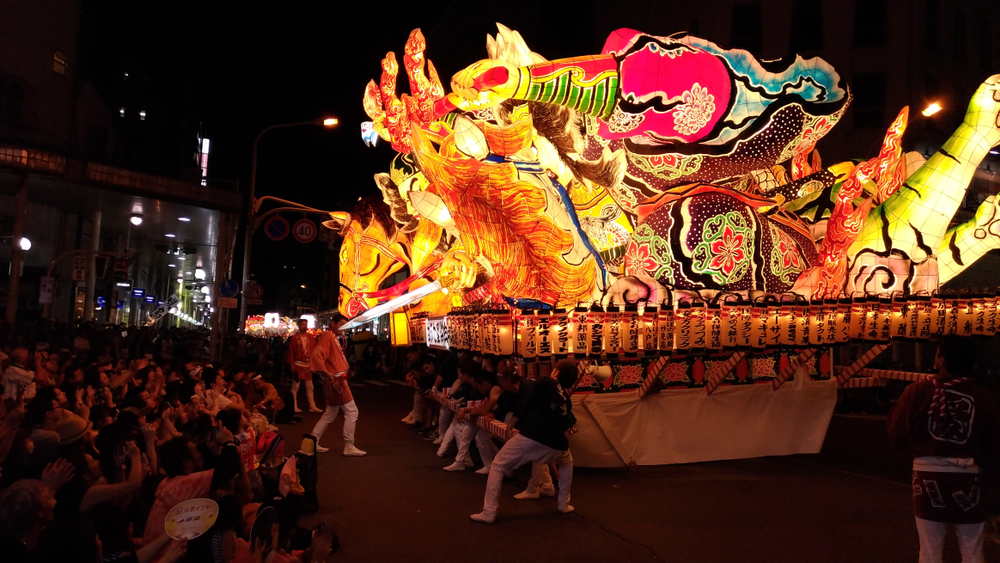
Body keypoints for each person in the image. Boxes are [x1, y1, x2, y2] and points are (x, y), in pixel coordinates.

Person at [887, 336, 1000, 563]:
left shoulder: (916, 392)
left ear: (941, 359)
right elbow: (994, 446)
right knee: (972, 551)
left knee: (929, 551)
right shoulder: (984, 398)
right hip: (969, 478)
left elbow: (898, 432)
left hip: (927, 476)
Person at [471, 360, 579, 524]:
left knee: (498, 466)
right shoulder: (566, 398)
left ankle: (489, 512)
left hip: (532, 436)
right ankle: (563, 504)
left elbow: (526, 401)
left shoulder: (546, 381)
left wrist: (512, 424)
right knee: (567, 461)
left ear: (556, 372)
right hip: (557, 443)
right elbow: (570, 423)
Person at [310, 315, 366, 456]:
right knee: (352, 411)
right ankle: (348, 445)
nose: (343, 327)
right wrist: (325, 372)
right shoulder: (328, 336)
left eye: (344, 325)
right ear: (333, 323)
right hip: (336, 380)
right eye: (341, 324)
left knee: (331, 412)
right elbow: (317, 355)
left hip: (334, 378)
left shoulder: (331, 336)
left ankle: (313, 441)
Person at [286, 319, 320, 413]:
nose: (304, 326)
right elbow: (291, 352)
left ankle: (312, 406)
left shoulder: (311, 337)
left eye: (305, 324)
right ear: (299, 326)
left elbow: (314, 351)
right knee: (295, 387)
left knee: (310, 386)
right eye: (302, 324)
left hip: (308, 365)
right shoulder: (294, 338)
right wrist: (292, 364)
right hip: (298, 364)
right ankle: (294, 406)